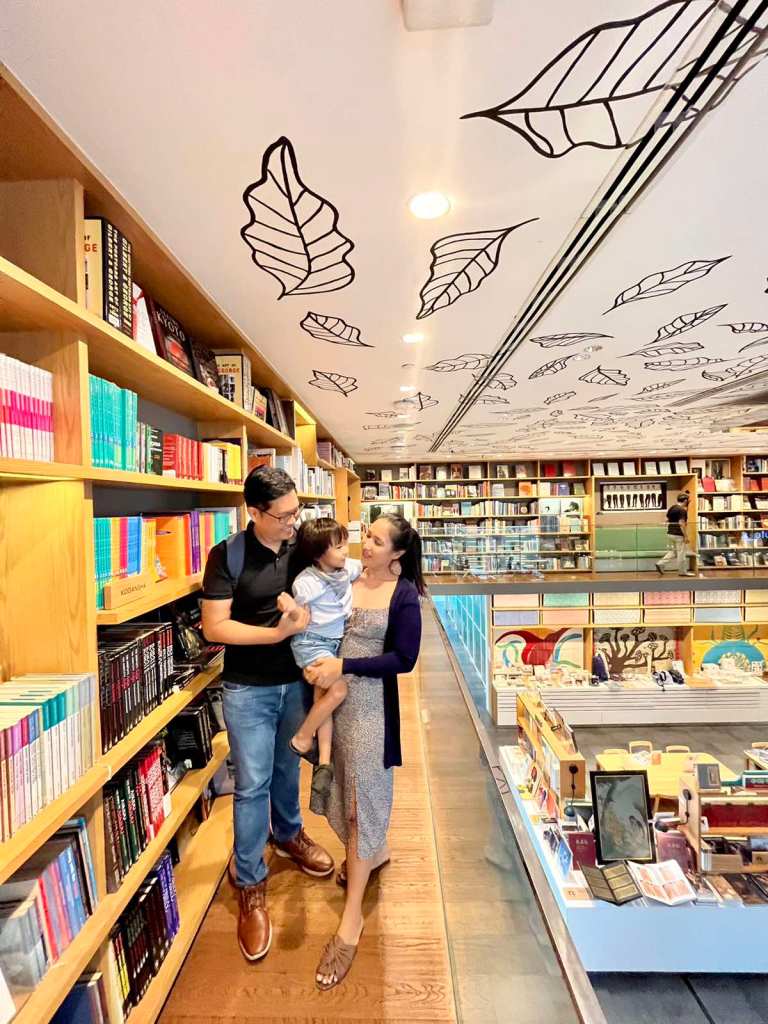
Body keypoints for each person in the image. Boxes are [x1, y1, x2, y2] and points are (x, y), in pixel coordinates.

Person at [200, 466, 334, 964]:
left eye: (297, 512)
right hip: (248, 689)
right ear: (253, 513)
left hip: (297, 684)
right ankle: (250, 882)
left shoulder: (301, 545)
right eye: (282, 516)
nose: (293, 524)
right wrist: (277, 635)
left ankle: (290, 834)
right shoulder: (227, 555)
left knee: (284, 770)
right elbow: (215, 628)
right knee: (252, 781)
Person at [303, 513, 425, 991]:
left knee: (359, 805)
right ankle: (374, 853)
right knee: (348, 798)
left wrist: (345, 664)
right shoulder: (346, 578)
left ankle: (351, 920)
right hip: (335, 706)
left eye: (376, 540)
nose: (365, 545)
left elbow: (405, 659)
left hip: (371, 710)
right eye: (365, 536)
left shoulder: (404, 595)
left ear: (397, 553)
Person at [278, 518, 362, 814]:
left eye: (344, 543)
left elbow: (363, 570)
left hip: (334, 643)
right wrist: (290, 608)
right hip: (311, 643)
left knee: (323, 698)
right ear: (317, 554)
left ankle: (324, 763)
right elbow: (296, 609)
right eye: (337, 546)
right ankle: (302, 738)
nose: (344, 550)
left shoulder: (347, 568)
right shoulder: (308, 581)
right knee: (337, 691)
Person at [655, 491, 695, 576]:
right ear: (685, 501)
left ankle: (661, 563)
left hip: (670, 533)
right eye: (687, 501)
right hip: (678, 534)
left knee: (674, 552)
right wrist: (686, 536)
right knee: (681, 554)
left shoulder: (672, 508)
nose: (688, 502)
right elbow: (681, 523)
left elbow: (668, 520)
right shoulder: (682, 510)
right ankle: (682, 572)